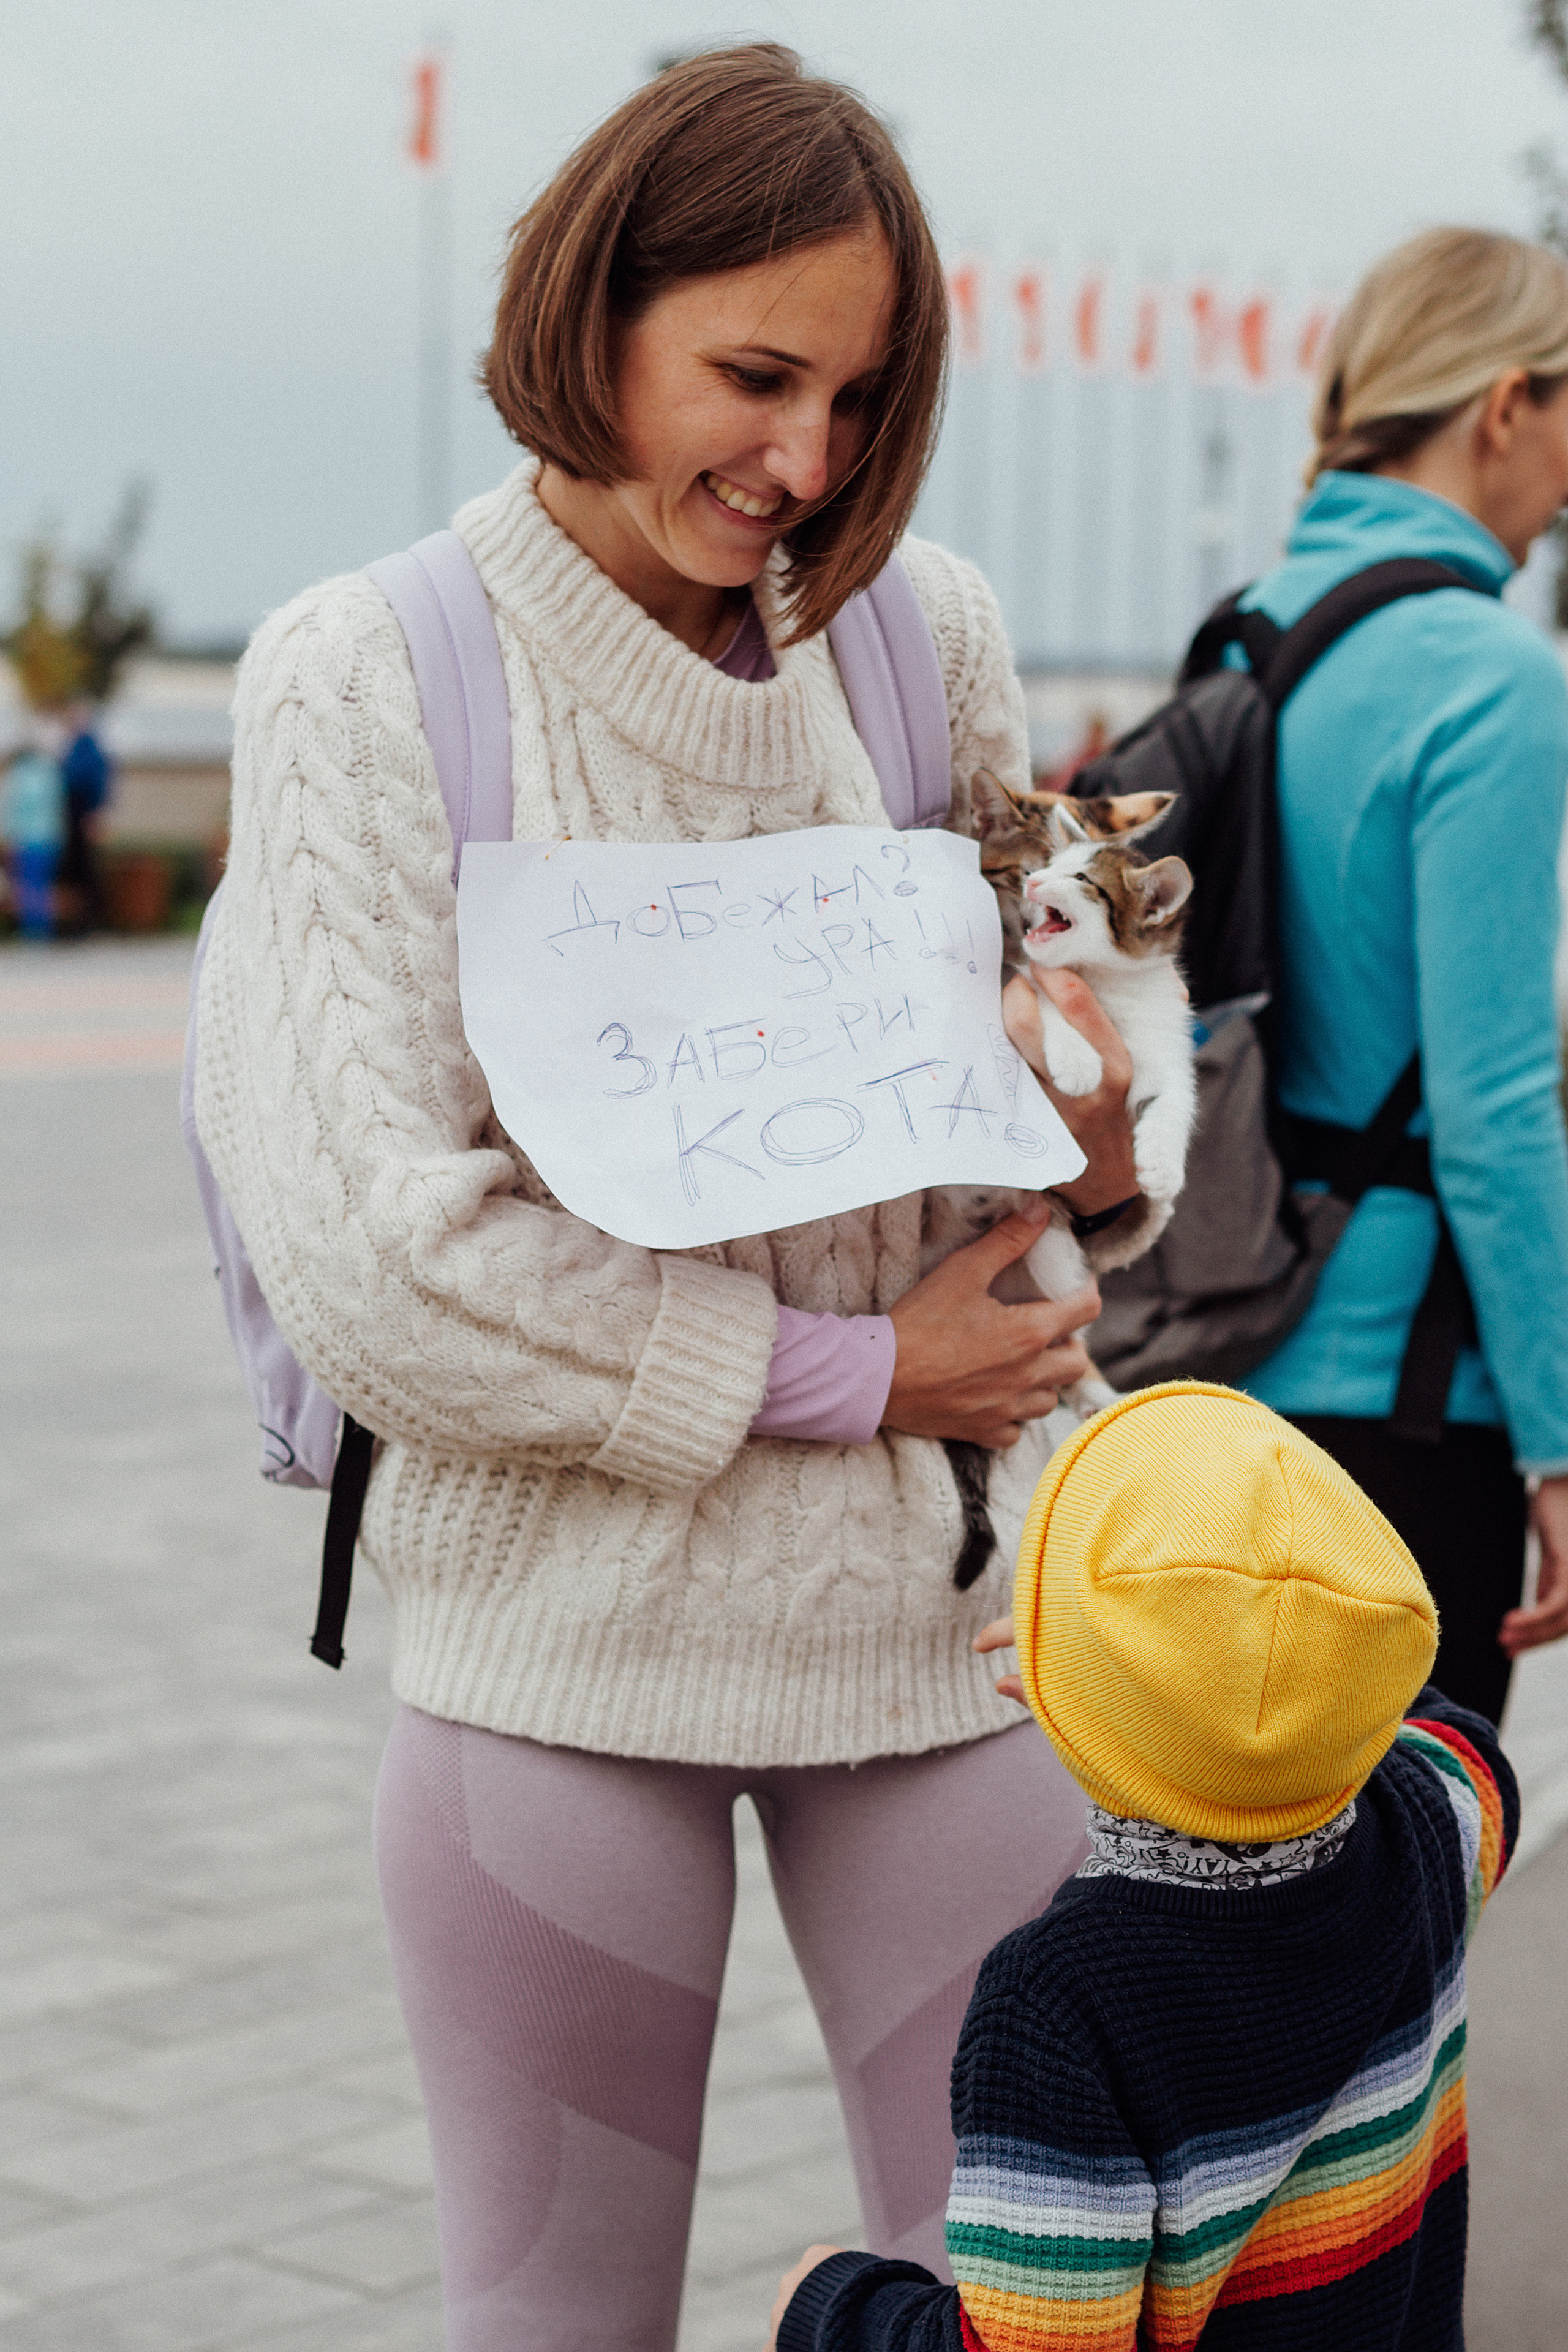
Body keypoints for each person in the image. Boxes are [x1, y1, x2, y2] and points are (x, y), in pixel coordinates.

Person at [192, 45, 1148, 2346]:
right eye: (749, 374)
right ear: (590, 306)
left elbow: (1070, 1139)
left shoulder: (929, 642)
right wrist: (852, 1367)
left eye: (857, 395)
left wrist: (1101, 1125)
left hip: (935, 1648)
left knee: (1039, 2312)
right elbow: (374, 1262)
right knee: (559, 2325)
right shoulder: (371, 675)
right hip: (561, 1664)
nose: (801, 462)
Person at [769, 1382, 1519, 2351]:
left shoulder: (1061, 2001)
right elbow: (1445, 1727)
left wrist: (833, 2308)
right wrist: (1294, 1663)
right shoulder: (1437, 1818)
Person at [1235, 227, 1568, 1722]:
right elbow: (1495, 1101)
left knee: (1225, 1916)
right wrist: (1555, 1439)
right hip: (1408, 1404)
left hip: (1211, 1388)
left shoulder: (1240, 640)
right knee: (1397, 1933)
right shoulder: (1484, 678)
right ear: (1503, 404)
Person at [1, 728, 67, 942]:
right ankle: (43, 930)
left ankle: (32, 931)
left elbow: (9, 808)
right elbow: (58, 807)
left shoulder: (17, 775)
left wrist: (6, 834)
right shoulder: (51, 772)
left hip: (25, 839)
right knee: (43, 884)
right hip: (49, 838)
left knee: (28, 885)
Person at [58, 708, 111, 932]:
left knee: (85, 869)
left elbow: (96, 782)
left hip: (82, 811)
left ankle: (88, 921)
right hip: (73, 812)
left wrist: (96, 812)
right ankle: (76, 920)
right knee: (76, 869)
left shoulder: (89, 748)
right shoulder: (73, 747)